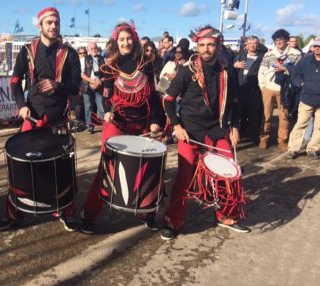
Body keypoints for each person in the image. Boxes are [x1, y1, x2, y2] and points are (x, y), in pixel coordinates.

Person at [160, 25, 249, 241]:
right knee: (184, 177)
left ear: (218, 46)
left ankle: (227, 215)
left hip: (217, 130)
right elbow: (168, 100)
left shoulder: (226, 72)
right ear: (197, 47)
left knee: (229, 173)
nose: (206, 49)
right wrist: (177, 126)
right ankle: (173, 221)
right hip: (189, 132)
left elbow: (235, 103)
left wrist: (235, 125)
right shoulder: (187, 71)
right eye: (202, 45)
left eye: (210, 45)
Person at [0, 7, 81, 232]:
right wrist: (21, 106)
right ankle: (15, 211)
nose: (53, 26)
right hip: (32, 117)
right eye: (49, 22)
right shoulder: (26, 51)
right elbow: (14, 83)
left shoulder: (70, 54)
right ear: (40, 25)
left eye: (56, 22)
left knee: (63, 167)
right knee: (21, 167)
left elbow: (76, 89)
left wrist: (58, 85)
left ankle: (67, 211)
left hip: (59, 119)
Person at [81, 21, 163, 234]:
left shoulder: (146, 63)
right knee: (107, 166)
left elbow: (153, 95)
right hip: (117, 122)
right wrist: (107, 110)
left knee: (146, 169)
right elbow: (107, 96)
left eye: (128, 39)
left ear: (134, 40)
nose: (125, 43)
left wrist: (156, 119)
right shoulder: (109, 66)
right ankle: (90, 214)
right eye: (121, 40)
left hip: (142, 124)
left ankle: (147, 212)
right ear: (116, 42)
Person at [258, 29, 302, 150]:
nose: (279, 42)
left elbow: (298, 72)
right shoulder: (268, 54)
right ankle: (264, 139)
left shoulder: (295, 54)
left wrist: (285, 69)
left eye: (281, 39)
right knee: (266, 115)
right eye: (277, 40)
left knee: (284, 116)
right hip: (268, 88)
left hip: (285, 89)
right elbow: (261, 71)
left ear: (287, 41)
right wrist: (262, 86)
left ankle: (282, 141)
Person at [283, 37, 320, 159]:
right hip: (307, 99)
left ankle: (313, 149)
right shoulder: (305, 60)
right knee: (301, 124)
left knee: (319, 126)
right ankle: (293, 149)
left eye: (319, 46)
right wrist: (301, 84)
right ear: (313, 47)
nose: (317, 48)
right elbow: (296, 74)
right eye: (315, 46)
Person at [233, 35, 265, 145]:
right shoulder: (240, 56)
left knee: (254, 114)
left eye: (255, 43)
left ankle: (254, 136)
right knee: (240, 112)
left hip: (254, 90)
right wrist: (234, 65)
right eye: (250, 43)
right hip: (241, 89)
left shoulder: (263, 57)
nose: (252, 45)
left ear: (258, 44)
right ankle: (240, 132)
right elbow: (230, 69)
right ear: (246, 45)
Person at [81, 42, 105, 134]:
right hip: (87, 86)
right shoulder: (84, 59)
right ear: (88, 50)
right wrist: (92, 82)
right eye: (91, 49)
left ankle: (105, 125)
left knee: (101, 107)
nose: (94, 50)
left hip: (99, 86)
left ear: (98, 49)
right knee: (88, 107)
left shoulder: (103, 59)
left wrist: (99, 82)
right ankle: (89, 126)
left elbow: (106, 73)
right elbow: (82, 74)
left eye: (95, 48)